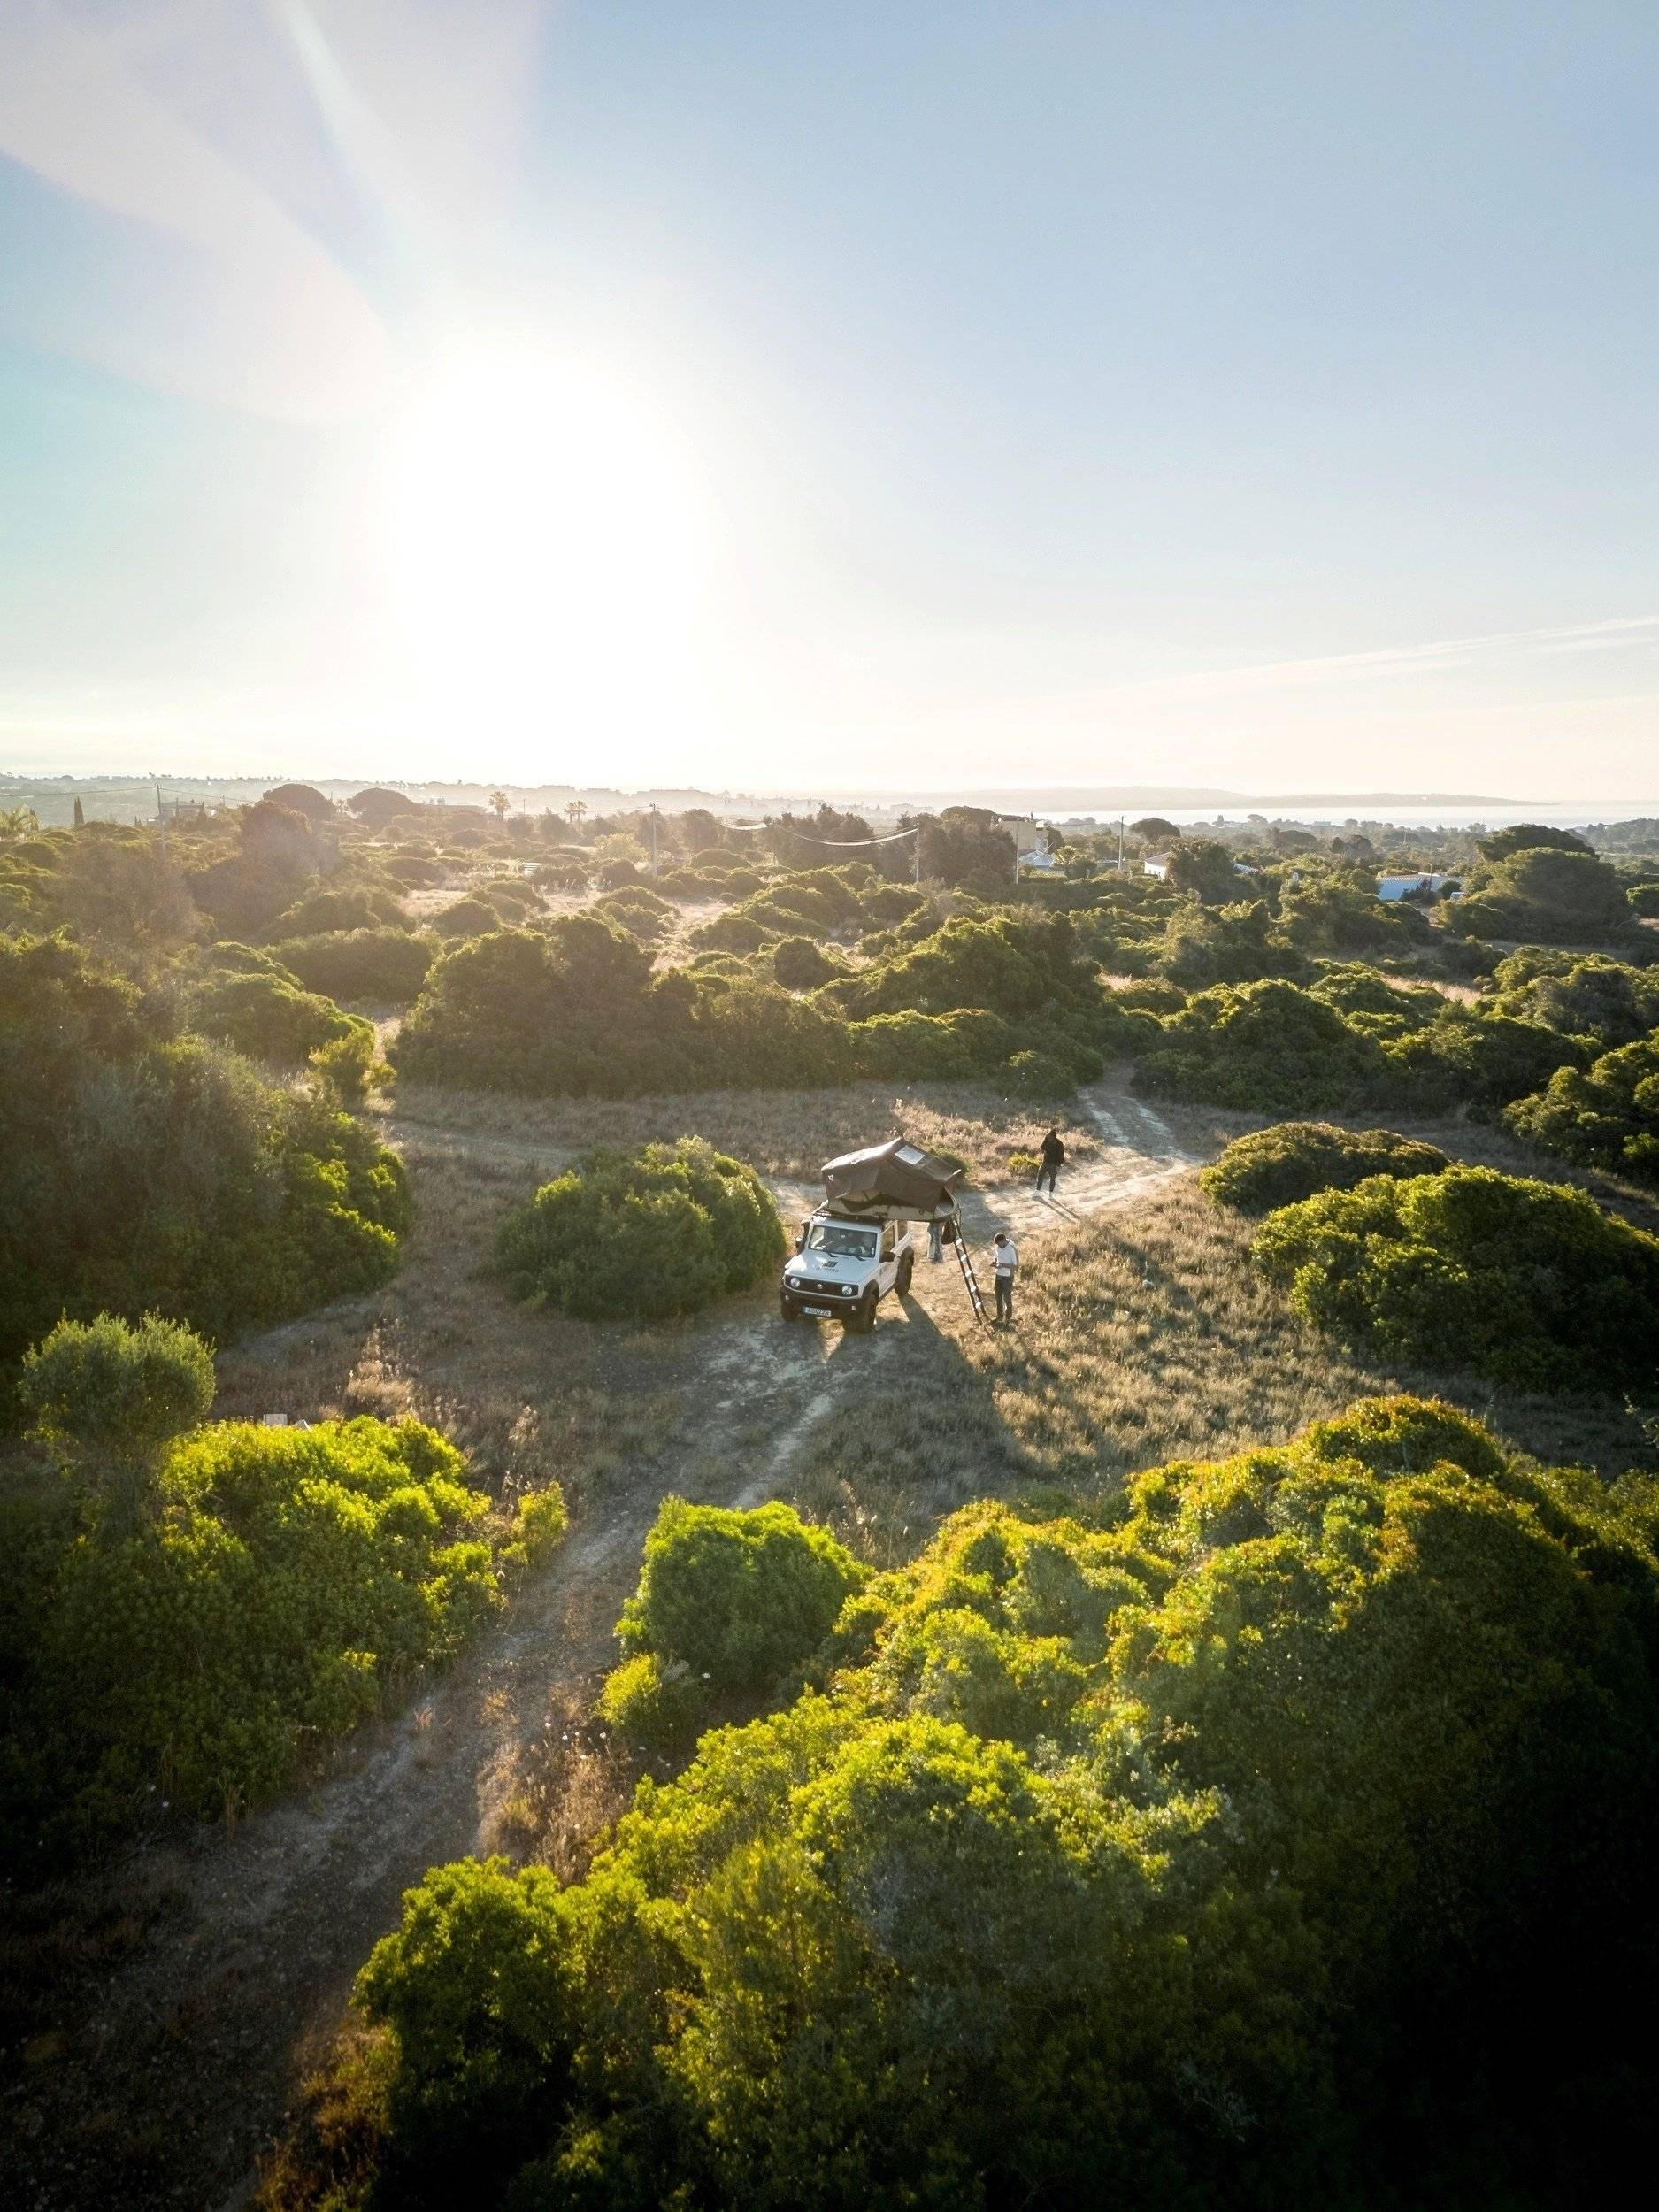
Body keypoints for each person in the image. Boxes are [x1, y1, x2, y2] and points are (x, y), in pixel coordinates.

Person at [990, 1231, 1018, 1324]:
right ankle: (999, 1317)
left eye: (999, 1244)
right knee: (998, 1297)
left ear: (1004, 1240)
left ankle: (1008, 1319)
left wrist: (1002, 1265)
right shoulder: (998, 1246)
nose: (998, 1246)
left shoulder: (1011, 1249)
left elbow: (1015, 1266)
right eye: (997, 1245)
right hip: (998, 1275)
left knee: (1007, 1298)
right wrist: (994, 1262)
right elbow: (996, 1256)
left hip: (1007, 1277)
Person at [1037, 1126, 1065, 1195]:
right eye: (1048, 1136)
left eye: (1050, 1137)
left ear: (1054, 1137)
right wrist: (1042, 1150)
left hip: (1053, 1164)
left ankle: (1050, 1193)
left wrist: (1059, 1164)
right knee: (1040, 1175)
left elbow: (1061, 1155)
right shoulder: (1046, 1139)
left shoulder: (1059, 1144)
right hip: (1045, 1162)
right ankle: (1037, 1191)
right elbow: (1042, 1146)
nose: (1048, 1138)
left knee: (1052, 1178)